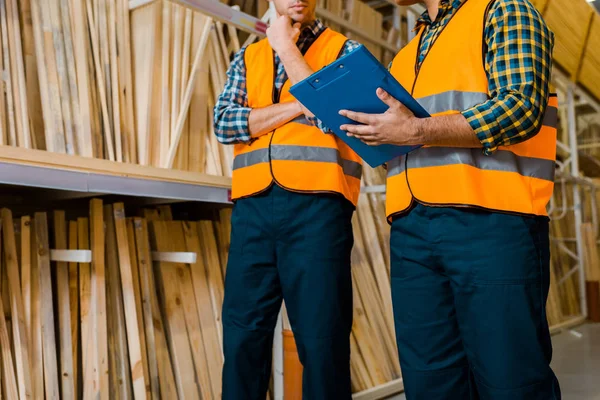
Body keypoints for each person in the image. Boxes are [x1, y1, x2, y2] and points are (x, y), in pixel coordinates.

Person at [338, 0, 561, 398]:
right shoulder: (409, 52)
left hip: (492, 220)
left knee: (509, 379)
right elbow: (405, 133)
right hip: (412, 227)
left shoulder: (504, 10)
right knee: (430, 382)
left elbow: (520, 107)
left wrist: (415, 130)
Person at [213, 0, 363, 397]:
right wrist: (299, 106)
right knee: (243, 339)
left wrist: (286, 49)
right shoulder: (248, 56)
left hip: (318, 210)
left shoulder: (343, 51)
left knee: (322, 342)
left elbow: (337, 115)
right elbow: (225, 123)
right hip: (253, 210)